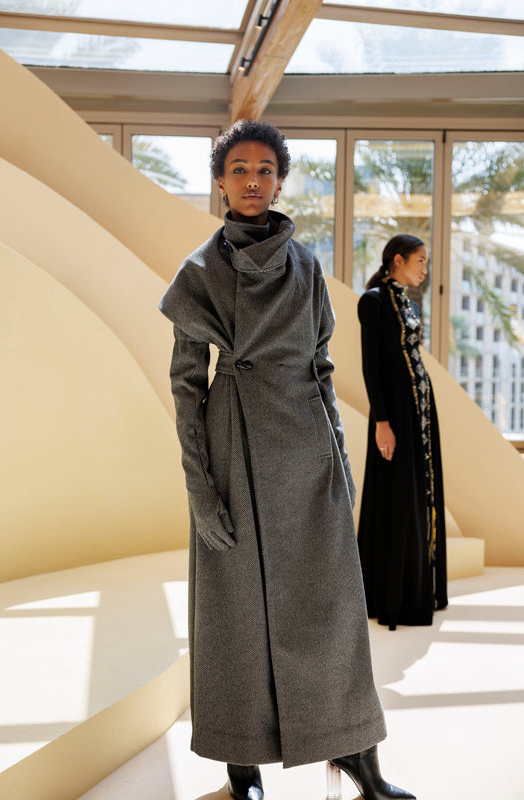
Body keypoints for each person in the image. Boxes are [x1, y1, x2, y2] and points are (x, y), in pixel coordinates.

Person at [159, 119, 415, 800]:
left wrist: (340, 461)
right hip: (234, 452)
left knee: (333, 610)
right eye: (239, 170)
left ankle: (356, 754)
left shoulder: (306, 266)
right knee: (234, 616)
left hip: (307, 451)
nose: (252, 181)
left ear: (280, 181)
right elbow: (185, 388)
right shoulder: (199, 272)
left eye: (265, 170)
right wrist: (200, 490)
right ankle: (240, 765)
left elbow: (321, 369)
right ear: (220, 183)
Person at [357, 235, 448, 631]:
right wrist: (382, 421)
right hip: (393, 417)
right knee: (396, 498)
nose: (425, 269)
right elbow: (371, 366)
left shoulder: (411, 305)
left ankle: (418, 590)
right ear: (398, 259)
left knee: (421, 495)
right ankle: (390, 597)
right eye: (420, 261)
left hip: (420, 415)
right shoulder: (373, 302)